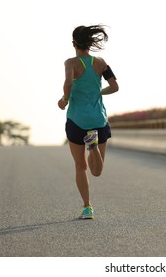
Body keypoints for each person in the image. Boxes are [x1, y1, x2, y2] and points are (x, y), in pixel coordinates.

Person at [58, 25, 119, 219]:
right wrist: (98, 92)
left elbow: (68, 82)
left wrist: (64, 99)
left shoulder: (71, 63)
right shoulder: (101, 62)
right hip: (98, 120)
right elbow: (115, 86)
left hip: (77, 120)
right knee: (97, 171)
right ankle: (92, 146)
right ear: (91, 43)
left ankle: (87, 207)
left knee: (81, 166)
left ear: (73, 43)